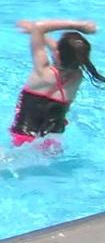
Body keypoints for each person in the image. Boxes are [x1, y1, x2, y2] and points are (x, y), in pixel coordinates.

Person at [9, 19, 103, 149]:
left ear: (57, 52)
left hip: (23, 138)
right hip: (52, 142)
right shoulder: (77, 77)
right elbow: (66, 52)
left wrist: (79, 26)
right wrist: (36, 32)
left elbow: (39, 27)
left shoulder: (42, 71)